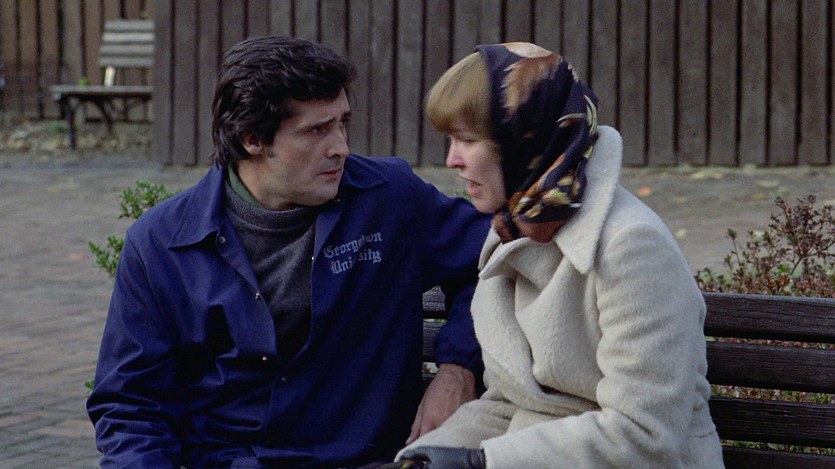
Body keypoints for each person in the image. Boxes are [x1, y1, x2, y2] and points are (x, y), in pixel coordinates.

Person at [87, 36, 491, 468]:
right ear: (252, 139)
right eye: (317, 130)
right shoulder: (162, 243)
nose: (340, 146)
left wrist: (457, 367)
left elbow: (495, 256)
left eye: (342, 123)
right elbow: (130, 407)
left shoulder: (389, 199)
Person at [390, 43, 725, 468]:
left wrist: (482, 462)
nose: (451, 160)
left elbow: (645, 434)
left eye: (467, 140)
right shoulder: (514, 228)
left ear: (524, 138)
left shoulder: (632, 247)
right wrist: (424, 458)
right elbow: (511, 403)